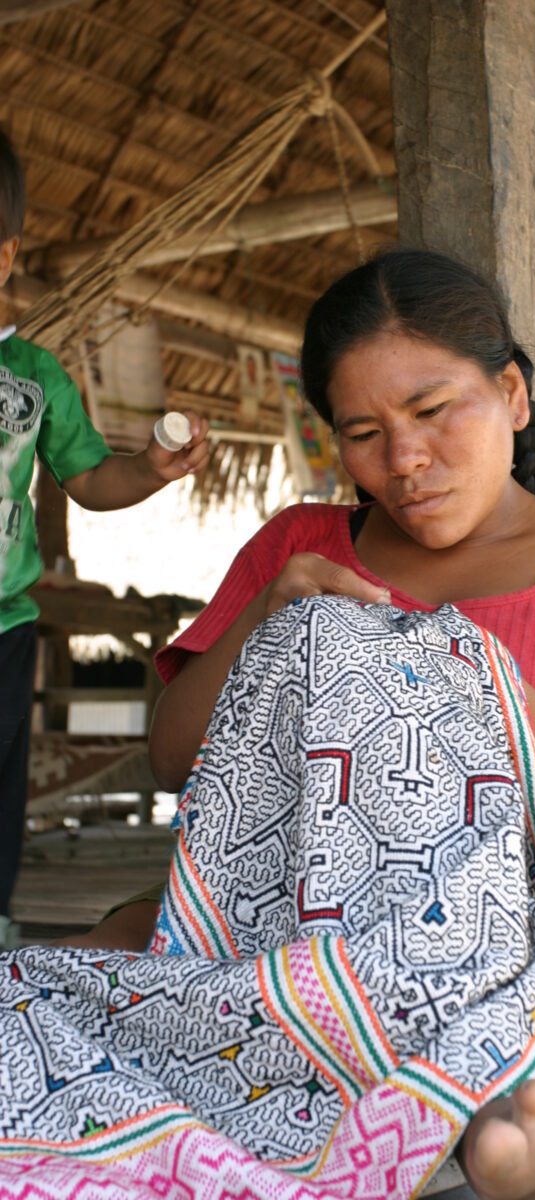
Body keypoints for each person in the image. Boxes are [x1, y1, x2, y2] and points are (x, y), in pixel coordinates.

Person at [58, 249, 535, 1199]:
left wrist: (511, 708)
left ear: (511, 394)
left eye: (432, 410)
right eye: (366, 432)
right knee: (56, 988)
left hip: (510, 934)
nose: (405, 460)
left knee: (495, 1008)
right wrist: (272, 619)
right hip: (281, 925)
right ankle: (476, 1120)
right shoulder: (300, 547)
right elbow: (176, 758)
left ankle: (504, 1126)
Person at [0, 126, 210, 950]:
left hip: (6, 624)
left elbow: (90, 482)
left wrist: (151, 468)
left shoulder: (36, 378)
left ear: (4, 256)